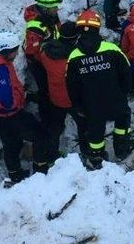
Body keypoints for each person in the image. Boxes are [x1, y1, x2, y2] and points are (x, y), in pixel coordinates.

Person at [0, 30, 49, 181]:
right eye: (15, 51)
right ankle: (41, 172)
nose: (17, 54)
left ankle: (15, 175)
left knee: (11, 143)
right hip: (9, 114)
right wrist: (20, 99)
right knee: (40, 135)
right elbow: (5, 99)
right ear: (6, 52)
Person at [66, 10, 134, 170]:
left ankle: (96, 158)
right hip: (116, 99)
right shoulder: (112, 49)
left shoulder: (74, 57)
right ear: (98, 28)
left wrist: (79, 106)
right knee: (122, 122)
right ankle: (122, 149)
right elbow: (126, 73)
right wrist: (124, 92)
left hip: (92, 105)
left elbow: (71, 85)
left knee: (95, 131)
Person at [37, 21, 88, 163]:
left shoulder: (46, 53)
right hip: (74, 100)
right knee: (84, 126)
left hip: (55, 99)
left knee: (55, 128)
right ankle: (87, 152)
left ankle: (52, 155)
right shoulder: (76, 57)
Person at [23, 0, 62, 122]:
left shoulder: (50, 16)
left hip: (52, 56)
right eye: (54, 7)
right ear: (45, 8)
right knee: (45, 91)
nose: (57, 9)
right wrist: (49, 60)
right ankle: (46, 117)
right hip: (40, 64)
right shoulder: (35, 27)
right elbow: (31, 52)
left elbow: (58, 30)